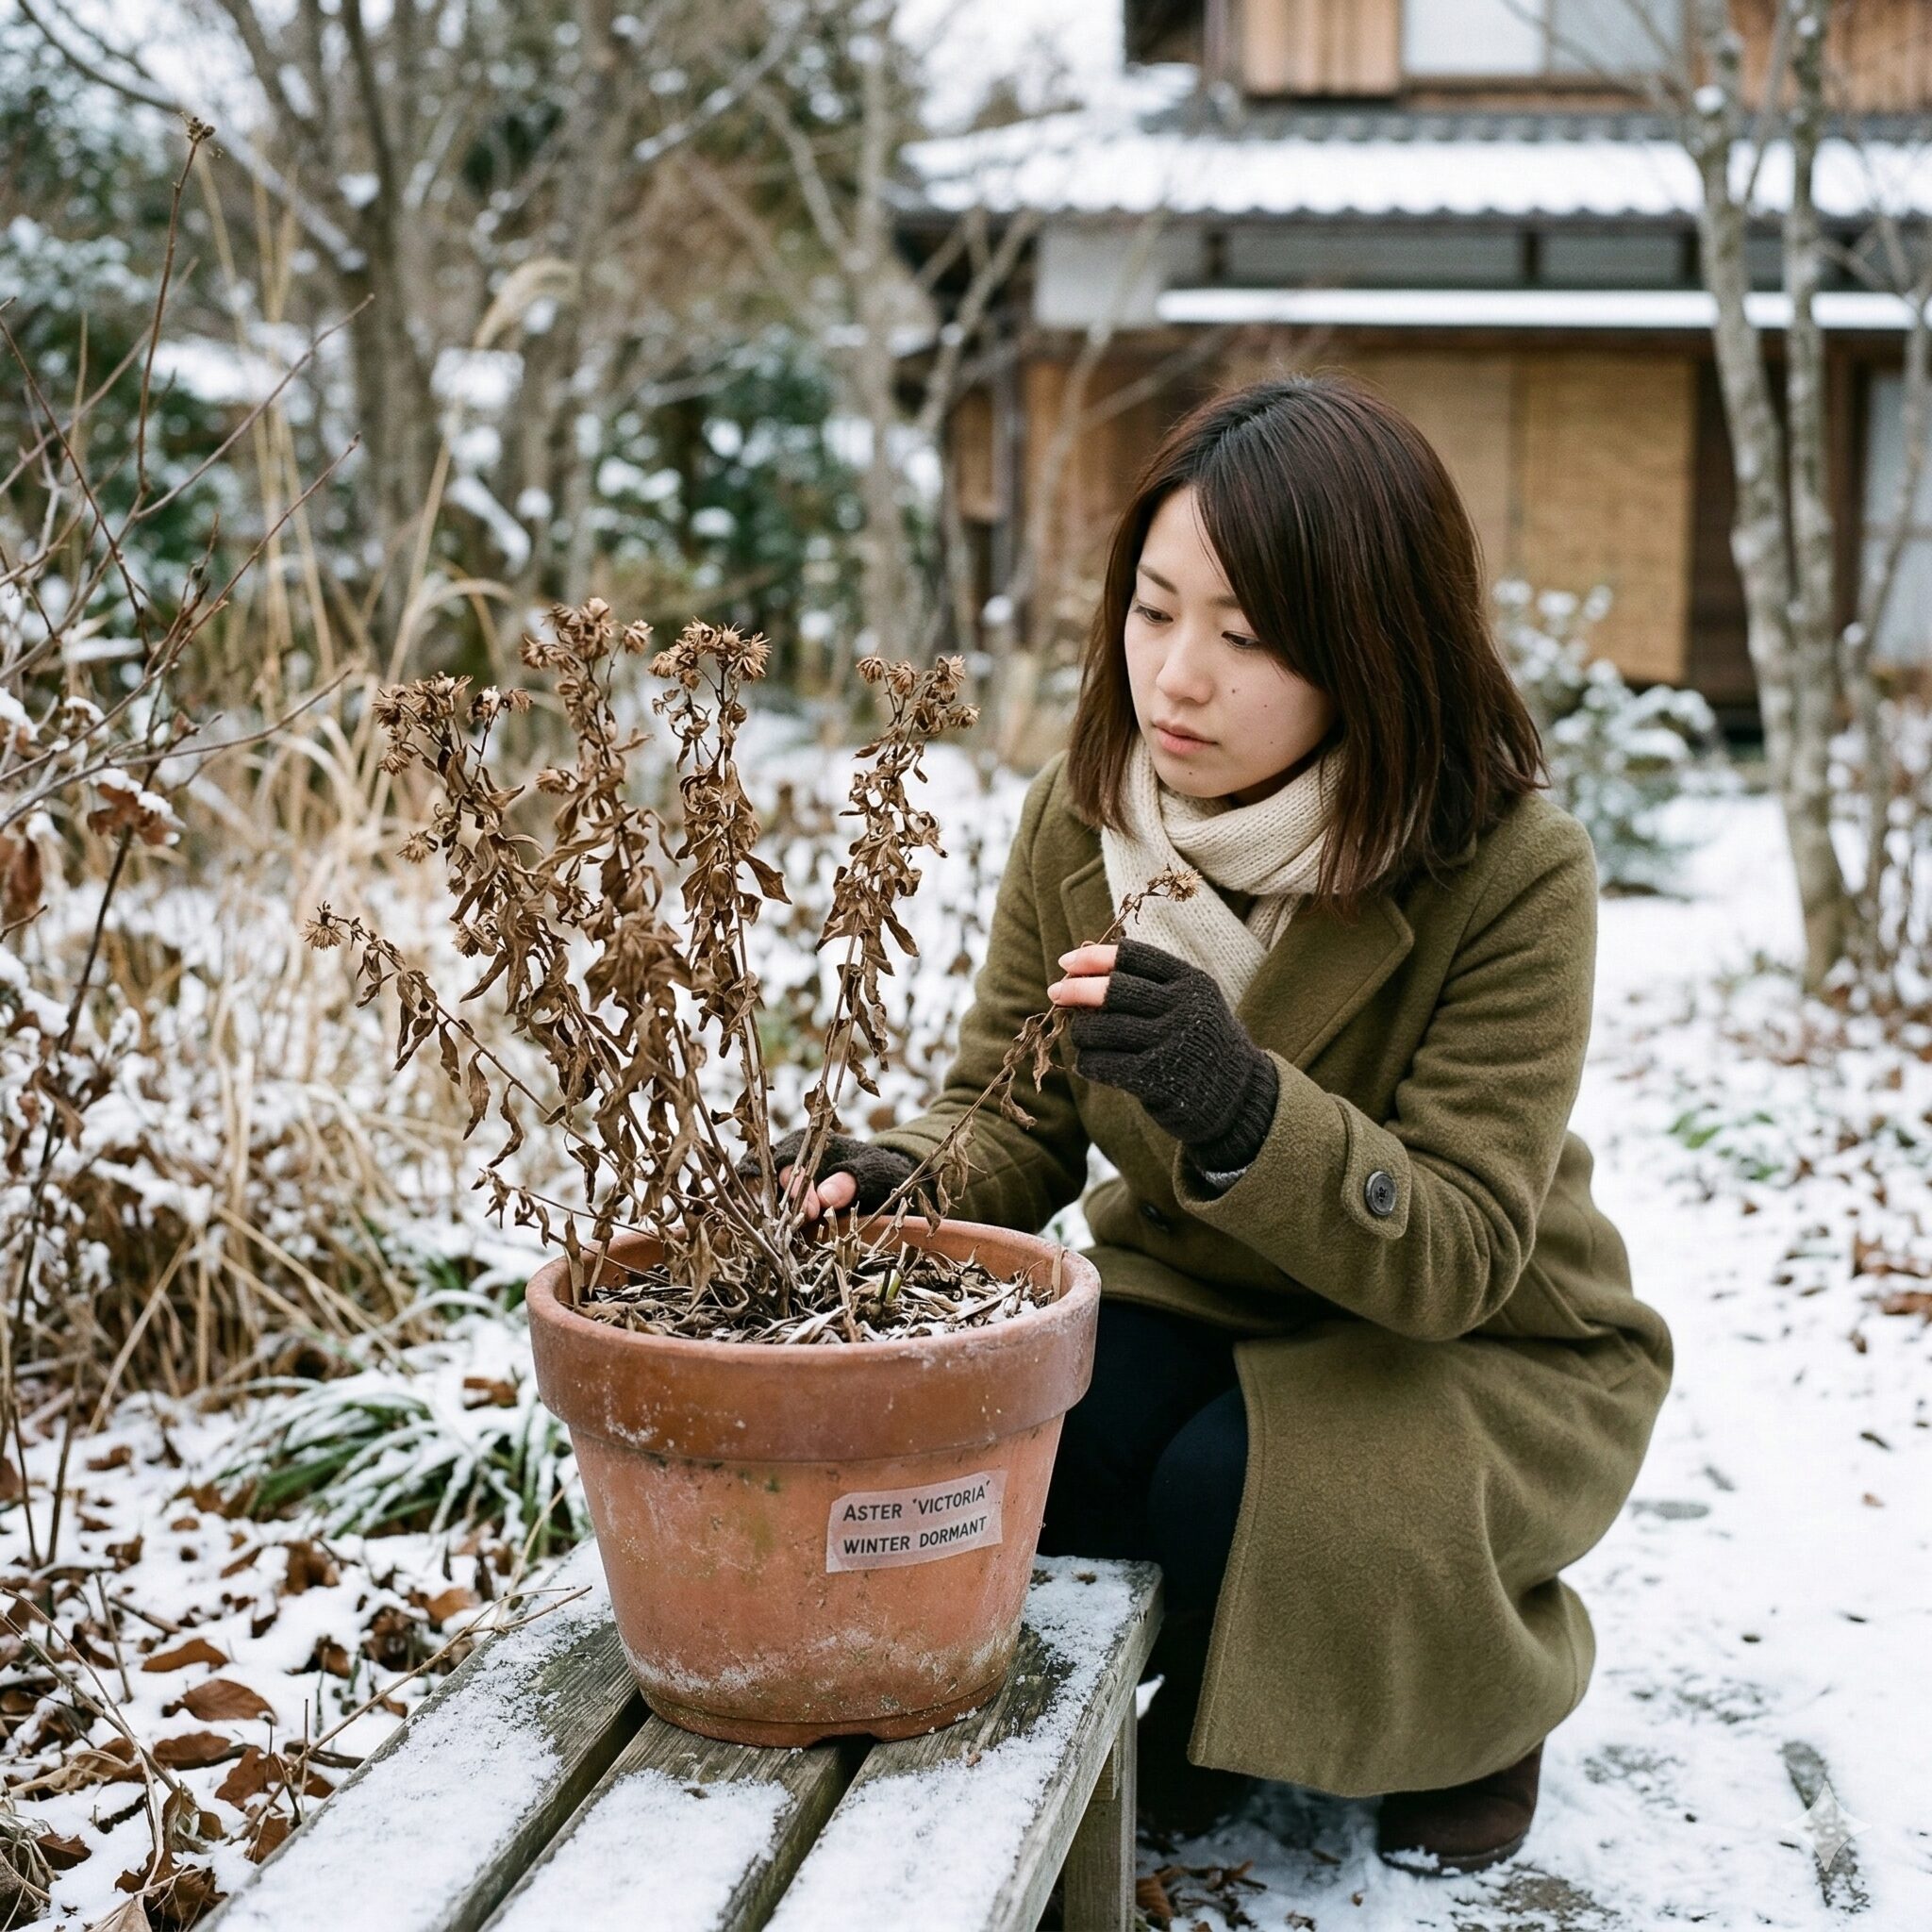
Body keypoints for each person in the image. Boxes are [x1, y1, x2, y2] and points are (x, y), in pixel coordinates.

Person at [771, 373, 1674, 1875]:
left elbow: (1453, 1252)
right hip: (1210, 1291)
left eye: (1247, 636)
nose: (1176, 677)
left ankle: (1473, 1705)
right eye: (1152, 609)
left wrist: (1243, 1100)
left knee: (1238, 1481)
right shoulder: (1087, 817)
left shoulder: (1507, 865)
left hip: (1474, 1338)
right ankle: (1216, 1679)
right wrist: (896, 1179)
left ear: (1373, 654)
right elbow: (1016, 1105)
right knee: (1040, 1432)